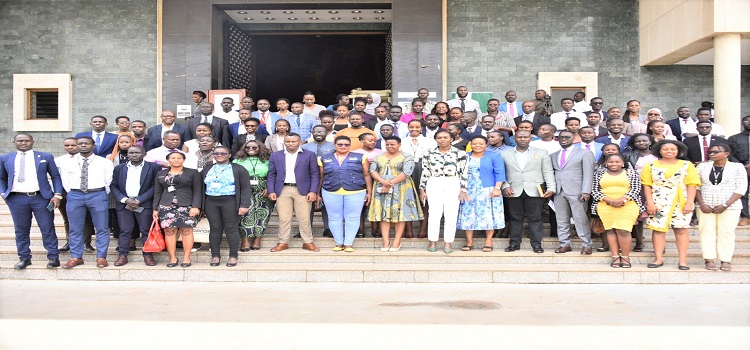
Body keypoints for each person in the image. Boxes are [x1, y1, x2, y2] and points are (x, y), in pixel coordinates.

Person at [0, 134, 63, 269]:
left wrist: (57, 195)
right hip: (16, 199)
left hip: (41, 198)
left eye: (27, 140)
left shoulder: (45, 156)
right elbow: (2, 178)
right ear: (14, 142)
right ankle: (24, 258)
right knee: (21, 229)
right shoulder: (5, 158)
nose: (23, 143)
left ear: (32, 142)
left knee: (47, 228)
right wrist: (3, 193)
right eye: (20, 140)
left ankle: (53, 257)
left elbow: (56, 177)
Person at [641, 140, 700, 270]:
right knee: (658, 229)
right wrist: (650, 202)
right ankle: (658, 259)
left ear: (678, 151)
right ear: (659, 151)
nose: (669, 151)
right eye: (665, 149)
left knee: (681, 229)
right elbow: (647, 185)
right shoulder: (650, 165)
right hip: (658, 201)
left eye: (673, 149)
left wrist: (690, 202)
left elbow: (692, 184)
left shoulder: (687, 165)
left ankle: (683, 261)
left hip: (680, 201)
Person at [58, 137, 114, 268]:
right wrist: (74, 192)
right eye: (80, 143)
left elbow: (109, 181)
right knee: (75, 228)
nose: (83, 145)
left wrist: (98, 192)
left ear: (93, 146)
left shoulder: (104, 162)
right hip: (75, 195)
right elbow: (65, 181)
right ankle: (76, 257)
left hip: (97, 194)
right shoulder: (68, 163)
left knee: (102, 228)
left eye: (87, 143)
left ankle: (101, 257)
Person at [499, 130, 556, 253]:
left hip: (535, 190)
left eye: (526, 137)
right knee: (514, 218)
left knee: (535, 218)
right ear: (515, 138)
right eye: (520, 137)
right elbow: (501, 172)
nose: (523, 139)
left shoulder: (541, 153)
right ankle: (514, 243)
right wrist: (505, 186)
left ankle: (536, 244)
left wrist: (551, 188)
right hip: (512, 190)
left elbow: (547, 171)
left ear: (531, 138)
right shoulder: (505, 153)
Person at [695, 144, 747, 271]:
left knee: (727, 232)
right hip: (705, 205)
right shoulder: (702, 166)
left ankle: (725, 260)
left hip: (730, 206)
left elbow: (741, 188)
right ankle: (709, 258)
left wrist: (725, 205)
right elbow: (696, 186)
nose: (712, 154)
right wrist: (701, 203)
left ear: (726, 154)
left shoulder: (737, 167)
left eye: (716, 152)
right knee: (706, 231)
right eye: (711, 152)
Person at [267, 132, 321, 252]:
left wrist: (313, 191)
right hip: (283, 189)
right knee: (284, 218)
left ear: (300, 142)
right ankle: (282, 242)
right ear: (284, 142)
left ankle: (307, 242)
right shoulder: (276, 155)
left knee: (304, 218)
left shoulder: (309, 155)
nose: (290, 144)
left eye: (294, 141)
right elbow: (271, 174)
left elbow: (315, 174)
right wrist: (271, 190)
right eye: (288, 141)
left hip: (303, 190)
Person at [317, 136, 372, 252]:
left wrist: (369, 192)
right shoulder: (324, 158)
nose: (343, 146)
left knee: (352, 217)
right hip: (330, 190)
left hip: (356, 191)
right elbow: (321, 177)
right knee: (334, 217)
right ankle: (338, 242)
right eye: (340, 144)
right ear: (334, 145)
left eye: (346, 144)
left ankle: (348, 243)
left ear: (350, 145)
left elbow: (367, 175)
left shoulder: (361, 157)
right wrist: (318, 193)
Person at [369, 136, 424, 251]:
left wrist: (390, 183)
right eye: (387, 144)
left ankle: (397, 241)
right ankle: (385, 241)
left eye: (392, 144)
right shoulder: (378, 156)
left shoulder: (406, 156)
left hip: (401, 187)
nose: (390, 146)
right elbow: (372, 170)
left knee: (400, 215)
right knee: (383, 214)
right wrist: (383, 182)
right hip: (381, 186)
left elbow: (407, 172)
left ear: (399, 145)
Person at [110, 145, 161, 266]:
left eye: (137, 152)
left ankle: (148, 255)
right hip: (124, 204)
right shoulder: (119, 168)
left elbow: (155, 186)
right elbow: (114, 185)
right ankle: (122, 255)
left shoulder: (153, 167)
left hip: (144, 203)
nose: (133, 155)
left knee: (145, 230)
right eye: (131, 153)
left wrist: (139, 199)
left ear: (144, 154)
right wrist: (125, 199)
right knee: (125, 230)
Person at [201, 146, 251, 267]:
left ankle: (233, 256)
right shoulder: (207, 168)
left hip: (230, 201)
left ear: (229, 155)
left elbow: (245, 188)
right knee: (215, 228)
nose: (219, 155)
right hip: (211, 202)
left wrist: (244, 205)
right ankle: (215, 255)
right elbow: (201, 187)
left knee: (231, 228)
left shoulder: (238, 169)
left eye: (223, 153)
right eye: (216, 153)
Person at [591, 153, 644, 268]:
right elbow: (594, 191)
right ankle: (615, 256)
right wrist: (609, 201)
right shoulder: (599, 173)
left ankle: (625, 257)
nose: (614, 164)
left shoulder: (630, 172)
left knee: (624, 230)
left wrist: (623, 200)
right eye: (611, 162)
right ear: (606, 163)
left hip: (627, 205)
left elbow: (636, 189)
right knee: (610, 230)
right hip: (605, 205)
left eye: (617, 162)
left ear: (623, 163)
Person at [420, 130, 467, 254]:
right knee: (434, 213)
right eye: (439, 137)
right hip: (434, 182)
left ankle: (448, 242)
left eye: (445, 137)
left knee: (451, 214)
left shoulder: (460, 153)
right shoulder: (428, 153)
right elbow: (425, 172)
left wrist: (463, 189)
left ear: (451, 139)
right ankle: (432, 241)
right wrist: (422, 189)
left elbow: (464, 172)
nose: (442, 139)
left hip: (453, 182)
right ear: (435, 139)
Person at [153, 151, 202, 268]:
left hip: (187, 206)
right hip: (166, 206)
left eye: (179, 158)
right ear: (168, 160)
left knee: (187, 231)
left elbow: (197, 190)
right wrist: (155, 209)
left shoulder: (193, 172)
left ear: (183, 160)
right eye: (173, 158)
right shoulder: (161, 173)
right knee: (169, 231)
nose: (176, 160)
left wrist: (196, 206)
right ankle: (172, 257)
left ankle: (186, 257)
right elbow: (157, 192)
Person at [456, 135, 505, 252]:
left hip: (488, 189)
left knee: (488, 214)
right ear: (471, 145)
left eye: (481, 144)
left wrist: (497, 188)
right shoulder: (464, 156)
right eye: (475, 144)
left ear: (486, 145)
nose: (477, 146)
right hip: (468, 190)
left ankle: (488, 241)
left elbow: (500, 173)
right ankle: (469, 241)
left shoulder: (494, 156)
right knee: (468, 215)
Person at [550, 130, 596, 254]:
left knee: (580, 219)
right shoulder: (554, 155)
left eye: (567, 137)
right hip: (559, 191)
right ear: (557, 139)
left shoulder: (584, 153)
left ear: (574, 139)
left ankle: (587, 244)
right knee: (561, 219)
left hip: (577, 191)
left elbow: (588, 173)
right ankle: (564, 244)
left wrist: (586, 191)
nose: (564, 139)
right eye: (561, 137)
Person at [233, 140, 275, 251]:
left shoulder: (267, 160)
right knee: (245, 214)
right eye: (247, 147)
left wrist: (269, 188)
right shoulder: (238, 160)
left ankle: (257, 238)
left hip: (263, 188)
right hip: (244, 188)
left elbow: (273, 174)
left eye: (254, 147)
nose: (250, 149)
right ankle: (245, 240)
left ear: (260, 148)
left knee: (263, 213)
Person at [401, 119, 436, 238]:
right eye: (411, 127)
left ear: (422, 128)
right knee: (407, 199)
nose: (414, 129)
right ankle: (408, 229)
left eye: (417, 127)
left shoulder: (430, 141)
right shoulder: (402, 141)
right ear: (408, 128)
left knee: (425, 199)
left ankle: (423, 229)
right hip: (406, 170)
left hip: (424, 169)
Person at [623, 133, 656, 252]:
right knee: (638, 216)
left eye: (644, 141)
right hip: (636, 188)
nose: (641, 143)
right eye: (638, 141)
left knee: (657, 216)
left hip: (655, 188)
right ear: (634, 143)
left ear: (650, 142)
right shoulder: (627, 156)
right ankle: (639, 242)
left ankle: (658, 245)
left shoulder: (657, 155)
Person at [353, 132, 384, 238]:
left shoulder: (381, 152)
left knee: (376, 206)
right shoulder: (355, 153)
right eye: (370, 140)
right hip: (360, 181)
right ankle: (360, 230)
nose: (373, 142)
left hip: (378, 181)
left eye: (375, 141)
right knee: (360, 206)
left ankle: (375, 230)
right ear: (362, 141)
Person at [55, 138, 81, 251]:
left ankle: (86, 242)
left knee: (86, 219)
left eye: (73, 145)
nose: (70, 147)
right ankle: (70, 242)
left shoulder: (86, 158)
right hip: (65, 193)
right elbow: (55, 178)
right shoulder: (58, 160)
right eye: (67, 145)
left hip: (83, 191)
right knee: (68, 219)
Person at [727, 115, 750, 226]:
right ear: (742, 124)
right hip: (741, 169)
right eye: (746, 121)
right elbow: (730, 154)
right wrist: (741, 166)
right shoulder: (733, 138)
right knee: (743, 193)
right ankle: (745, 216)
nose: (749, 123)